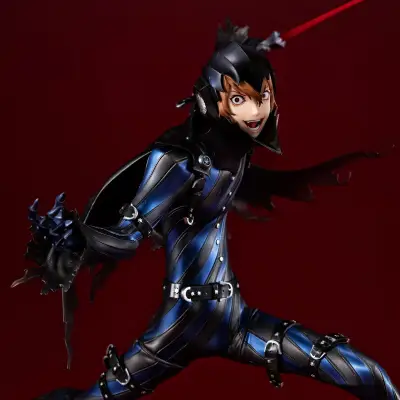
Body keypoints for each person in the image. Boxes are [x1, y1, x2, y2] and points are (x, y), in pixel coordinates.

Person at [12, 20, 399, 400]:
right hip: (178, 327)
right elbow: (127, 238)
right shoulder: (177, 162)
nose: (256, 111)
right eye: (239, 100)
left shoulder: (238, 147)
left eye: (262, 96)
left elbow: (235, 79)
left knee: (366, 375)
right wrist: (80, 236)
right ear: (210, 101)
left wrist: (254, 49)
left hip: (234, 318)